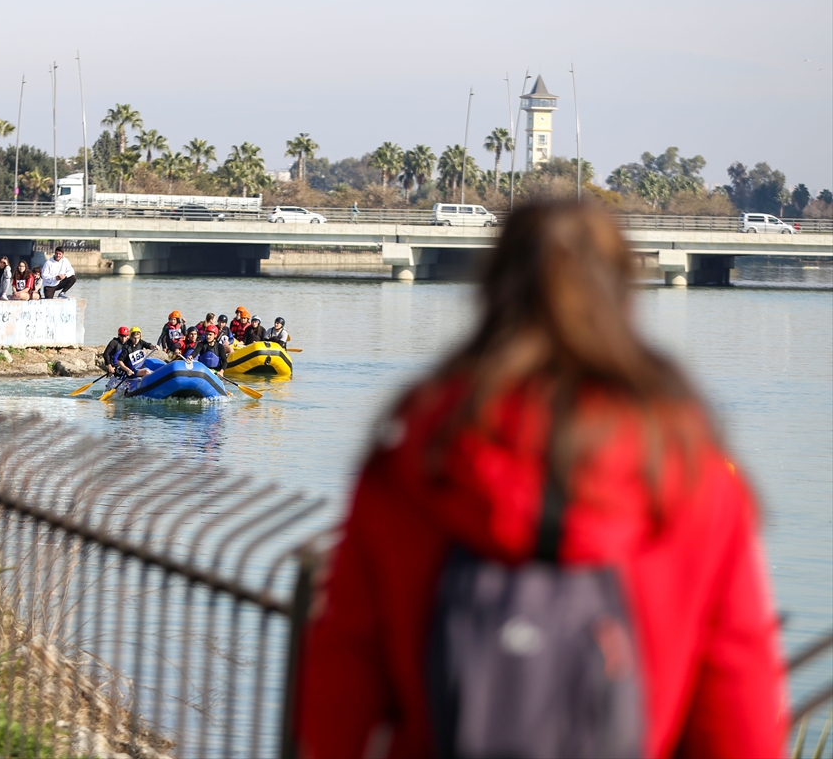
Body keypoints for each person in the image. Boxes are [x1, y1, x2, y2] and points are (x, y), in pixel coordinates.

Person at [296, 203, 786, 759]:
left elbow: (339, 686)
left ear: (492, 291)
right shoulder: (691, 474)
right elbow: (740, 712)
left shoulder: (412, 455)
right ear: (622, 296)